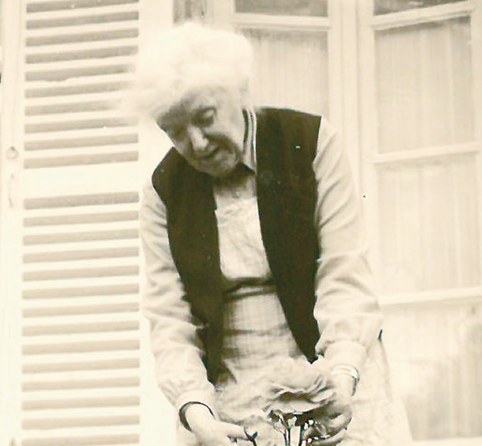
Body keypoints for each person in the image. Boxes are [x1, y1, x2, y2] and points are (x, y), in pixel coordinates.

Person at [133, 22, 412, 446]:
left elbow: (344, 275)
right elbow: (171, 320)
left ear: (240, 90)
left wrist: (339, 378)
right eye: (174, 131)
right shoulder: (163, 192)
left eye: (205, 118)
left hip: (332, 374)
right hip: (230, 401)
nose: (197, 143)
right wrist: (198, 414)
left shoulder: (311, 143)